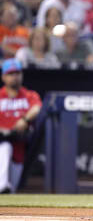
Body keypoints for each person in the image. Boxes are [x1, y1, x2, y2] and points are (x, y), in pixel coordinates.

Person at [0, 59, 42, 193]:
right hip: (1, 143)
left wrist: (24, 119)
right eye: (10, 73)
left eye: (17, 73)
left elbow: (37, 108)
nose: (14, 77)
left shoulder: (29, 95)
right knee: (5, 147)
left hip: (19, 148)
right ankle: (2, 184)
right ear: (3, 76)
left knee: (11, 192)